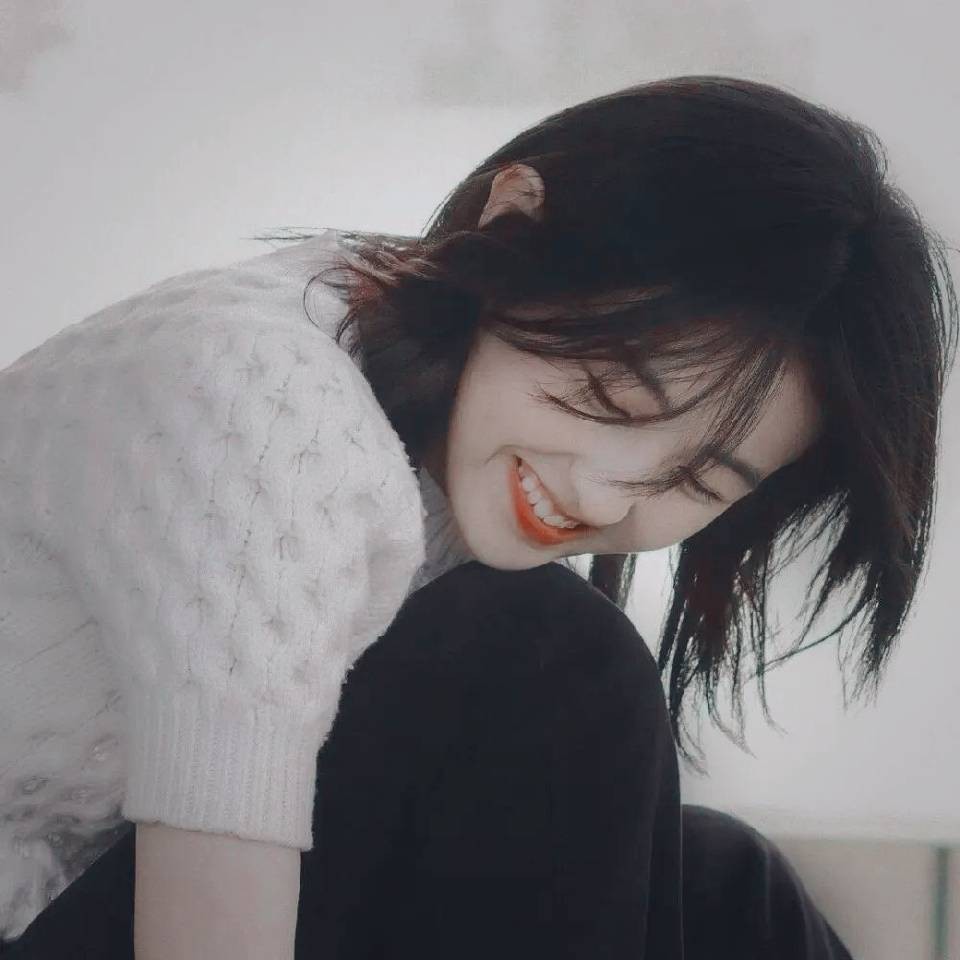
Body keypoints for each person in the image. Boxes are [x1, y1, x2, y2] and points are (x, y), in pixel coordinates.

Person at [0, 74, 955, 958]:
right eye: (617, 395)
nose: (604, 496)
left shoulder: (438, 436)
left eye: (700, 480)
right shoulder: (263, 402)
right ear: (514, 221)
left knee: (722, 883)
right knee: (548, 648)